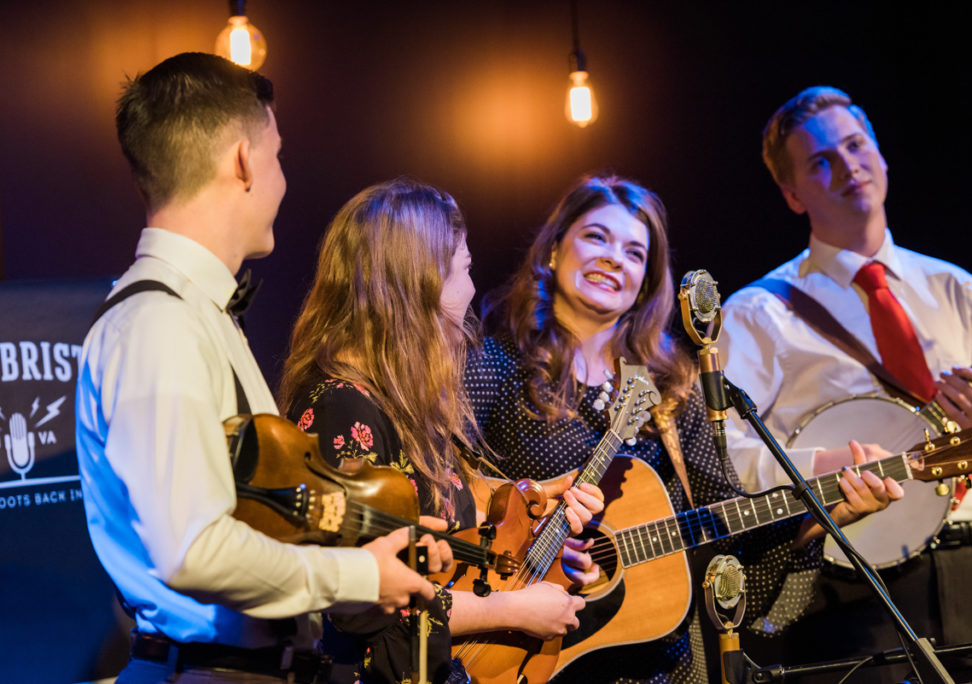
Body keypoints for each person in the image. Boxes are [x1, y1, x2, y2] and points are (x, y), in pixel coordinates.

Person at [75, 53, 449, 684]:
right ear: (244, 161)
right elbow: (192, 550)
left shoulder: (197, 314)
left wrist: (377, 555)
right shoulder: (160, 325)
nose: (281, 179)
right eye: (277, 157)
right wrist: (357, 575)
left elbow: (240, 527)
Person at [464, 173, 901, 683]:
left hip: (657, 667)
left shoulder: (671, 389)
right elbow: (447, 488)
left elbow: (722, 527)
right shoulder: (493, 365)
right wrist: (533, 533)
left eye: (634, 252)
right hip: (521, 652)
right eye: (596, 237)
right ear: (555, 250)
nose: (613, 259)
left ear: (647, 282)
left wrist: (824, 515)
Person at [719, 85, 972, 680]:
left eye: (857, 145)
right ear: (791, 194)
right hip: (851, 585)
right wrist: (821, 467)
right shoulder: (756, 311)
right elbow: (725, 454)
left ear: (881, 155)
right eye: (820, 161)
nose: (848, 166)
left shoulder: (954, 288)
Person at [277, 178, 605, 683]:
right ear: (421, 283)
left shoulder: (396, 400)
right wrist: (515, 609)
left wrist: (536, 505)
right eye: (465, 268)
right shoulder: (345, 410)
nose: (472, 287)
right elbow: (360, 600)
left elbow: (443, 541)